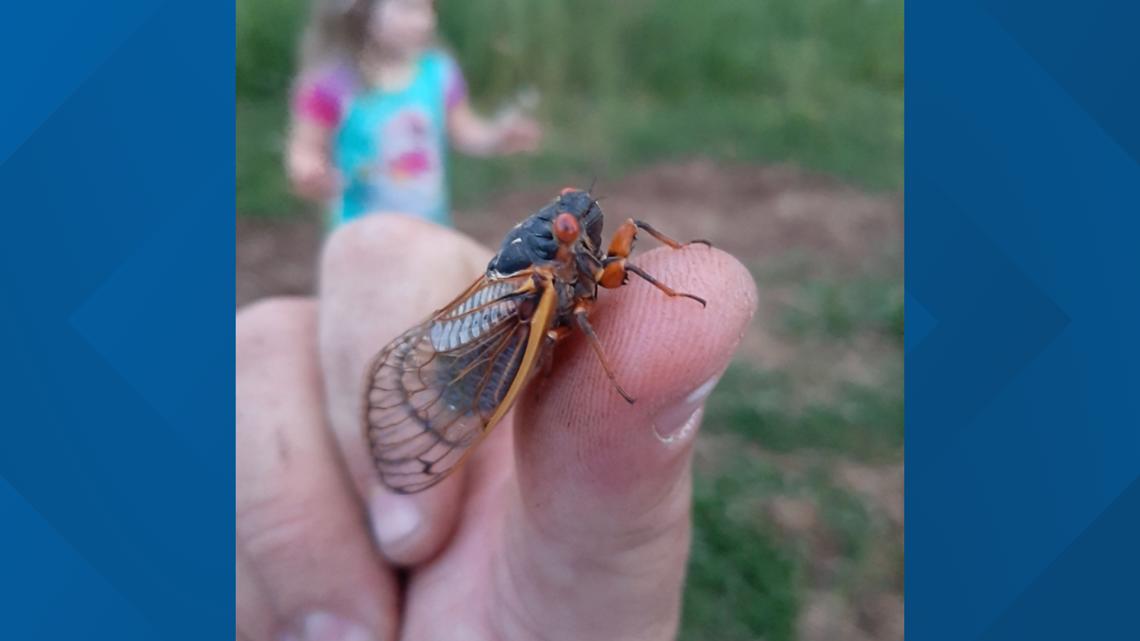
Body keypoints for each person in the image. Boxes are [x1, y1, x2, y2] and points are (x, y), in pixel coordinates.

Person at [235, 213, 757, 641]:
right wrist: (610, 374)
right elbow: (579, 317)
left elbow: (613, 259)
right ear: (561, 240)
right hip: (484, 362)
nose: (590, 233)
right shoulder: (542, 278)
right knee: (579, 320)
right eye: (574, 229)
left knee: (602, 288)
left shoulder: (570, 257)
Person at [286, 0, 541, 228]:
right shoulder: (331, 85)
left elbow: (464, 131)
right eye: (409, 8)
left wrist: (496, 137)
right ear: (361, 10)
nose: (426, 20)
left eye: (429, 7)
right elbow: (305, 149)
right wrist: (310, 171)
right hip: (360, 236)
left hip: (428, 231)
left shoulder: (437, 73)